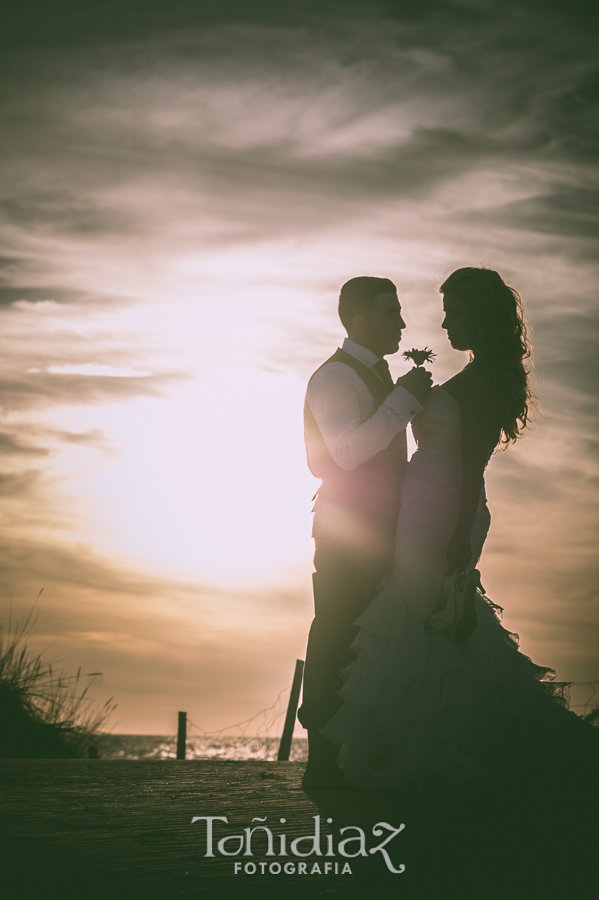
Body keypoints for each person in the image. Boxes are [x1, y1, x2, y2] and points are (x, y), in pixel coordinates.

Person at [320, 266, 598, 793]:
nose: (445, 324)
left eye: (454, 313)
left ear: (480, 316)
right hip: (424, 505)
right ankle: (424, 734)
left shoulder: (486, 379)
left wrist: (455, 543)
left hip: (443, 511)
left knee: (425, 614)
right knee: (428, 619)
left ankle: (435, 743)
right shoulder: (474, 374)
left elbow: (472, 466)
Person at [298, 276, 433, 789]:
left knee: (367, 638)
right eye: (388, 313)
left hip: (379, 530)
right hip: (344, 533)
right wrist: (403, 400)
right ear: (358, 321)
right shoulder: (335, 377)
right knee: (336, 632)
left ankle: (358, 752)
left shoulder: (377, 375)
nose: (401, 322)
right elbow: (346, 454)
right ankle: (320, 762)